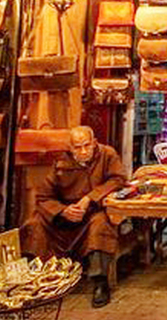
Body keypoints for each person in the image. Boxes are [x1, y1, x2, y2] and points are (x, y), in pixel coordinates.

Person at [21, 126, 126, 308]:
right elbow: (44, 196)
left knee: (100, 224)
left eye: (87, 145)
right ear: (70, 148)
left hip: (94, 211)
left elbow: (118, 180)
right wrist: (62, 211)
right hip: (65, 216)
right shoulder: (61, 161)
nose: (83, 151)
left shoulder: (107, 155)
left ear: (94, 143)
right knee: (34, 224)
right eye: (78, 147)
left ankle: (100, 282)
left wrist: (90, 198)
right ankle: (36, 279)